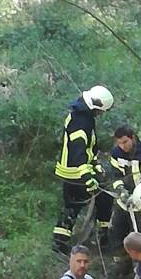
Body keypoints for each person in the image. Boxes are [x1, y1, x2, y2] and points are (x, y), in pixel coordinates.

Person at [52, 85, 114, 256]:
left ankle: (60, 241)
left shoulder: (82, 116)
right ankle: (102, 238)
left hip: (76, 170)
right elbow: (78, 151)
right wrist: (88, 177)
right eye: (101, 111)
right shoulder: (81, 122)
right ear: (95, 107)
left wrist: (95, 165)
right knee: (94, 200)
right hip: (76, 172)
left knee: (75, 205)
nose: (101, 115)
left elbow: (89, 149)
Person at [108, 126, 141, 264]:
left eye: (125, 142)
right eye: (119, 143)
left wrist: (137, 197)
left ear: (133, 138)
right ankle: (121, 263)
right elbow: (115, 175)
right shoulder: (116, 154)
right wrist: (121, 190)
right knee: (116, 229)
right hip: (123, 201)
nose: (122, 146)